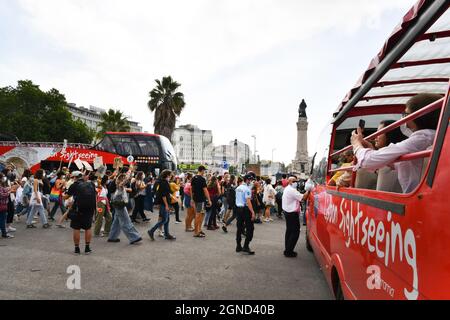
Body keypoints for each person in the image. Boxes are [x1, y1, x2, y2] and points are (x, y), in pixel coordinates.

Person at [351, 93, 443, 193]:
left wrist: (356, 144)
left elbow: (367, 161)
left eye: (406, 115)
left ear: (420, 116)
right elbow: (404, 164)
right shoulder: (432, 136)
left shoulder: (423, 138)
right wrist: (373, 151)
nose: (403, 119)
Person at [64, 171, 97, 254]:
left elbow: (66, 197)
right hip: (89, 209)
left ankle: (77, 249)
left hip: (78, 209)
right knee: (88, 228)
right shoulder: (91, 184)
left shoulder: (74, 185)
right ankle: (87, 248)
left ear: (74, 177)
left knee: (76, 228)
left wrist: (63, 193)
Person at [108, 173, 143, 245]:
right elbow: (121, 184)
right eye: (123, 178)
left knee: (116, 222)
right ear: (121, 179)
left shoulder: (119, 185)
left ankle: (112, 237)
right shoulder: (119, 184)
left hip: (118, 204)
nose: (124, 179)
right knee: (125, 221)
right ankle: (134, 237)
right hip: (120, 205)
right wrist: (127, 178)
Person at [282, 176, 310, 258]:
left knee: (289, 231)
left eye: (296, 181)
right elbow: (303, 198)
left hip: (288, 212)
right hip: (291, 213)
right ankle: (289, 251)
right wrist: (309, 190)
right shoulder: (291, 190)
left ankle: (287, 249)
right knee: (295, 232)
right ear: (290, 182)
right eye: (294, 181)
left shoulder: (288, 189)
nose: (296, 182)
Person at [147, 170, 176, 241]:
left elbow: (166, 193)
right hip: (164, 204)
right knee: (164, 219)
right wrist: (166, 205)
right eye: (171, 175)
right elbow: (163, 195)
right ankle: (151, 231)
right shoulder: (164, 183)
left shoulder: (164, 182)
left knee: (167, 219)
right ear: (167, 175)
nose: (171, 176)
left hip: (165, 203)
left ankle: (167, 234)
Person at [235, 173, 256, 255]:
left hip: (238, 209)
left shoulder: (238, 187)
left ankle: (238, 245)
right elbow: (248, 201)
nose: (251, 182)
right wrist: (253, 212)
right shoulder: (247, 189)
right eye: (251, 180)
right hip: (246, 210)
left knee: (239, 228)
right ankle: (246, 246)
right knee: (250, 228)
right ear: (248, 180)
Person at [191, 166, 211, 238]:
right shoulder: (202, 179)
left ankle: (199, 229)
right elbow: (205, 190)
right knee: (198, 215)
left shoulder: (194, 178)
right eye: (204, 171)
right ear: (202, 170)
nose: (204, 172)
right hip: (201, 199)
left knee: (201, 214)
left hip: (196, 199)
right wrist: (209, 200)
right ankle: (196, 232)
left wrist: (192, 199)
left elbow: (191, 189)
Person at [0, 173, 14, 239]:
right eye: (2, 177)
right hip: (2, 205)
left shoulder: (2, 185)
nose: (4, 178)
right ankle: (4, 234)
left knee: (2, 219)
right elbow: (2, 195)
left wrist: (8, 189)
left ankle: (3, 232)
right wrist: (9, 192)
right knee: (2, 220)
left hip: (3, 204)